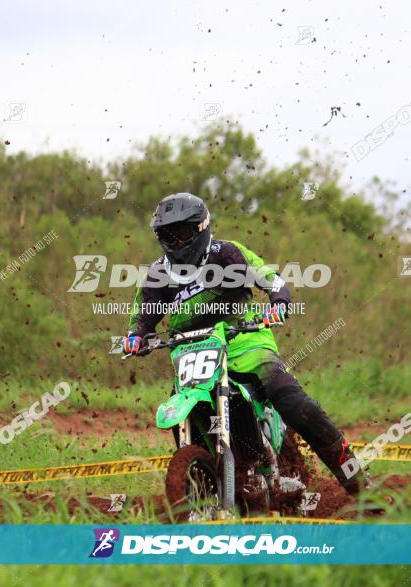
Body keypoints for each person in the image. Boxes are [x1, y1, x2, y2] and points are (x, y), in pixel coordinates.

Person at [123, 192, 362, 495]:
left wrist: (279, 301)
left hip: (245, 340)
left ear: (200, 227)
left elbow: (270, 278)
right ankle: (207, 484)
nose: (177, 241)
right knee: (179, 408)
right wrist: (135, 338)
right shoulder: (158, 273)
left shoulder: (227, 254)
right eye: (168, 234)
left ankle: (357, 481)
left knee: (289, 398)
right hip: (193, 350)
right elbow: (144, 316)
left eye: (182, 232)